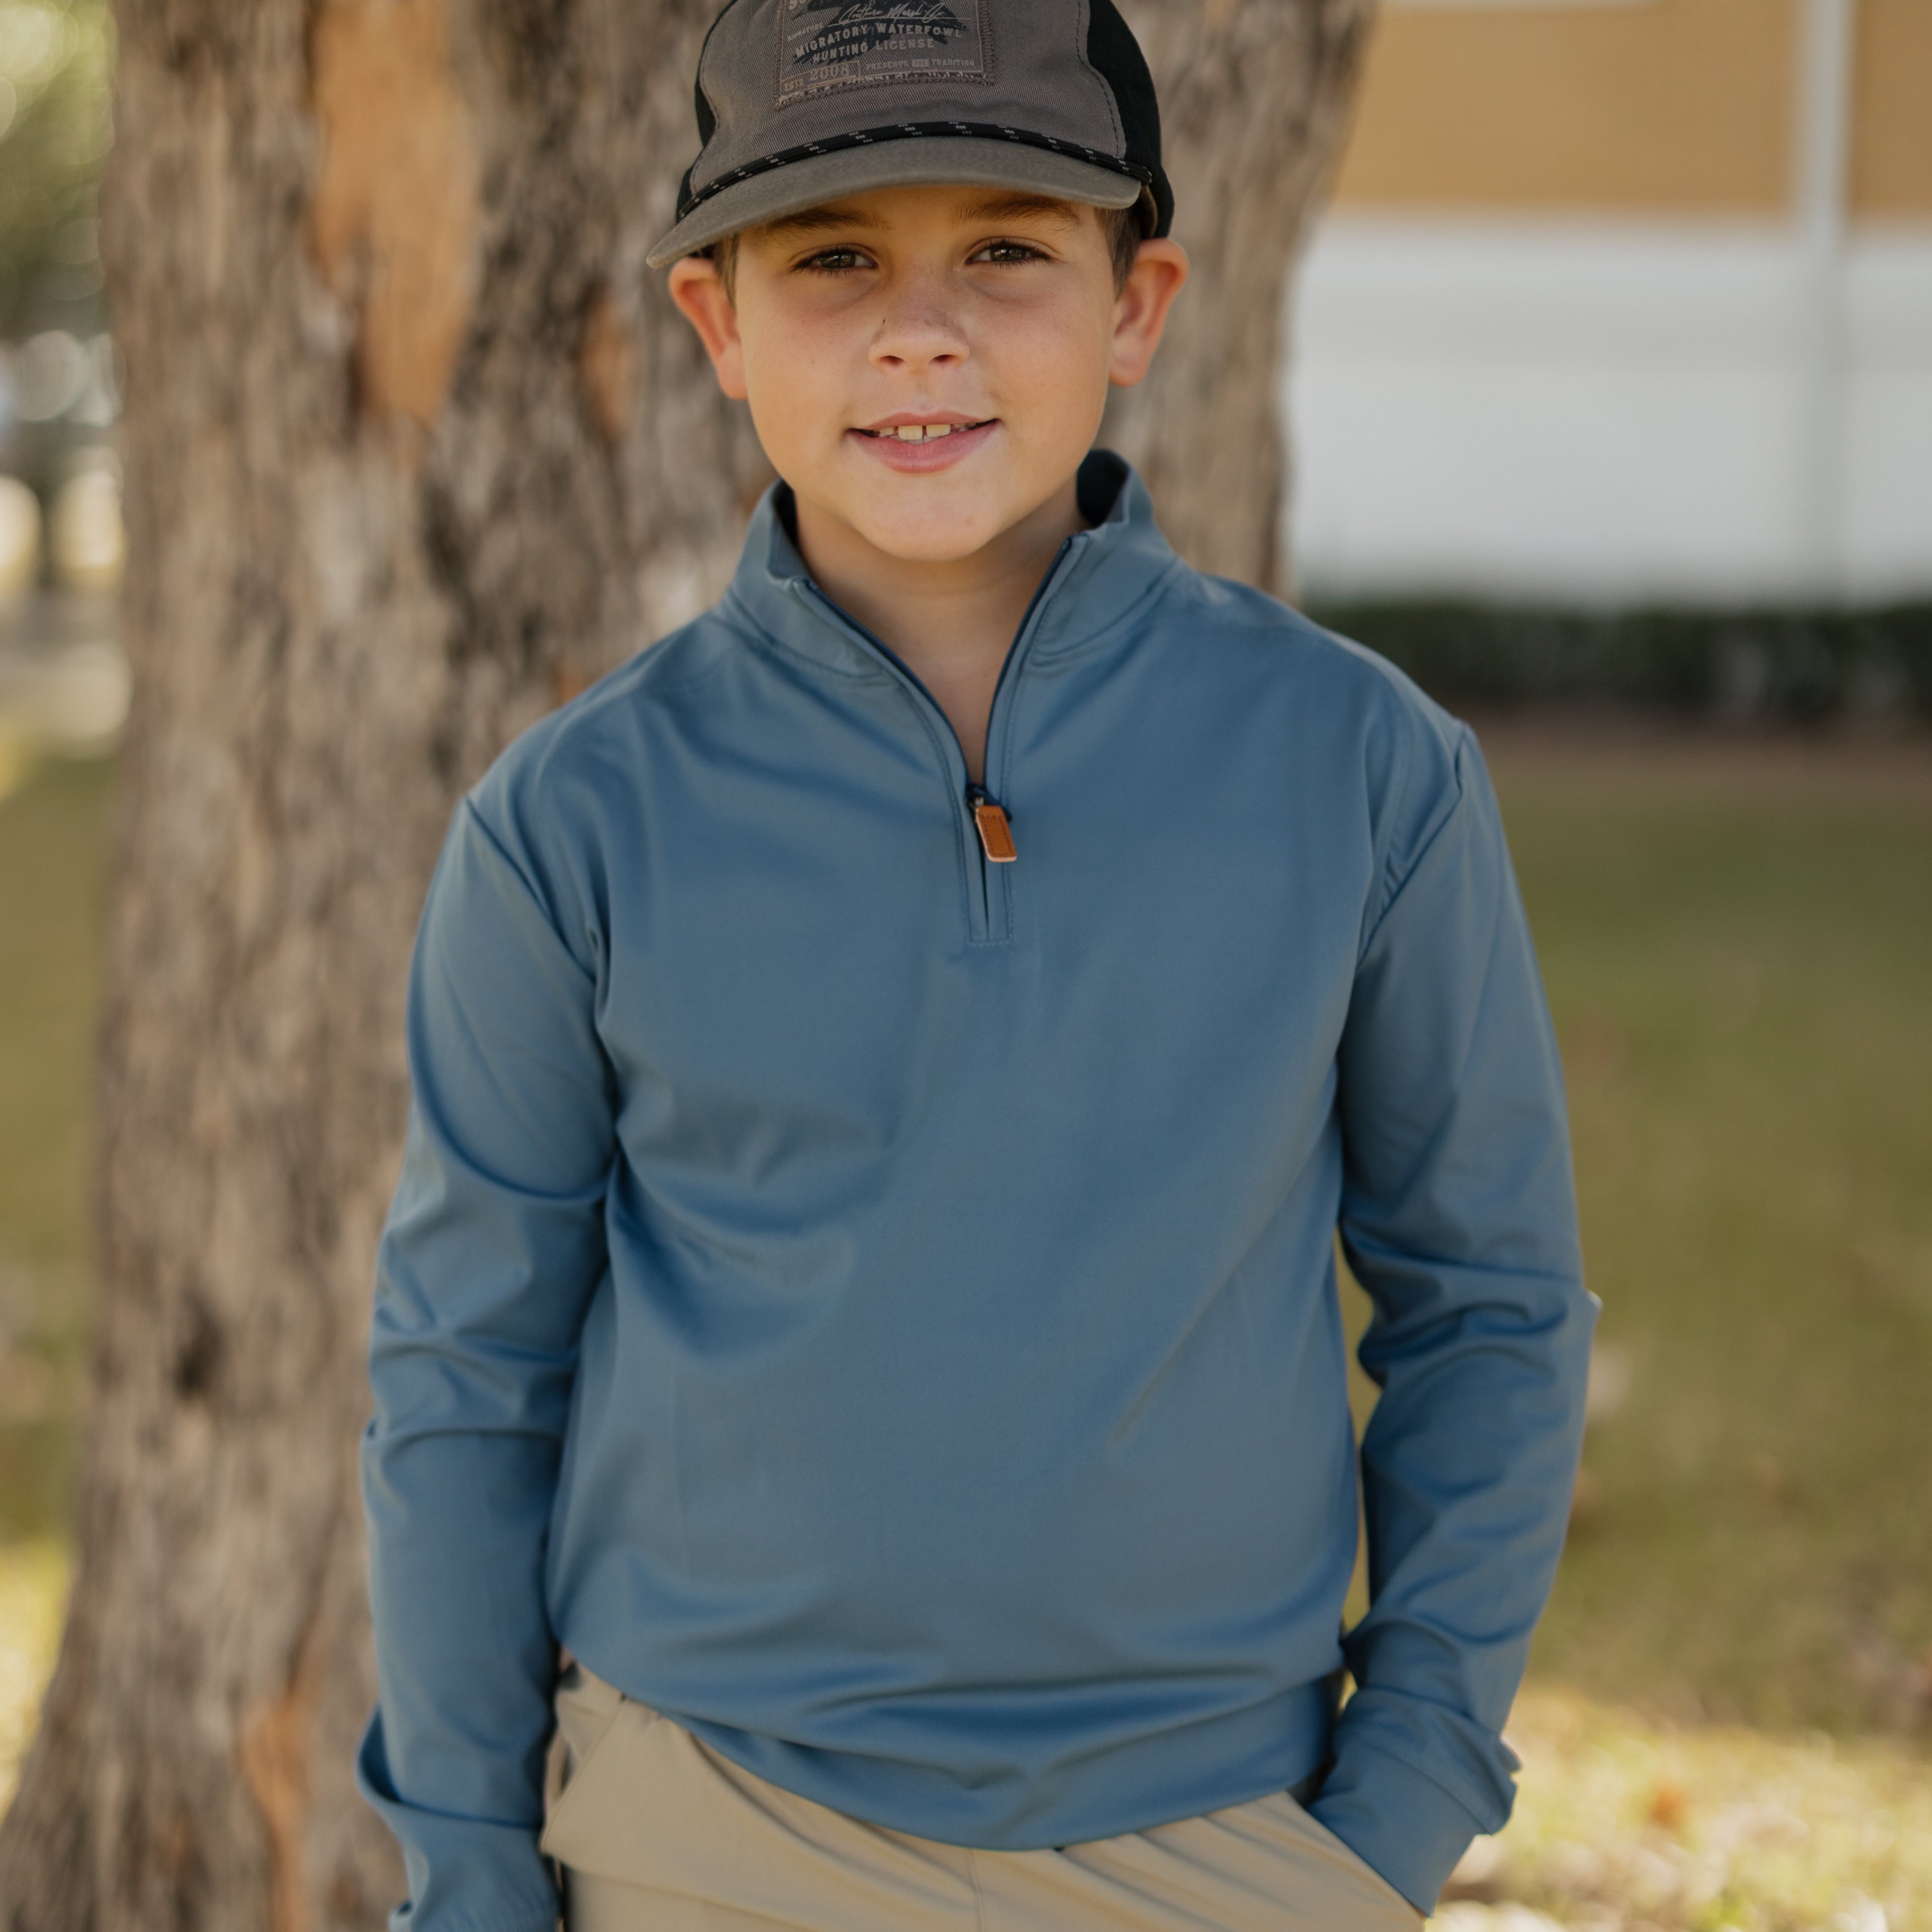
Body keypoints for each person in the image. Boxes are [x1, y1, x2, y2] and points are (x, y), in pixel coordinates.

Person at [356, 4, 1597, 1928]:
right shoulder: (573, 820)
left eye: (1006, 249)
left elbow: (1489, 1305)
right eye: (834, 255)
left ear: (1138, 302)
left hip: (1228, 1847)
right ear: (718, 322)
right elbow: (467, 1374)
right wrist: (466, 1876)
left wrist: (1401, 1805)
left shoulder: (1364, 771)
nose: (917, 332)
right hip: (707, 1835)